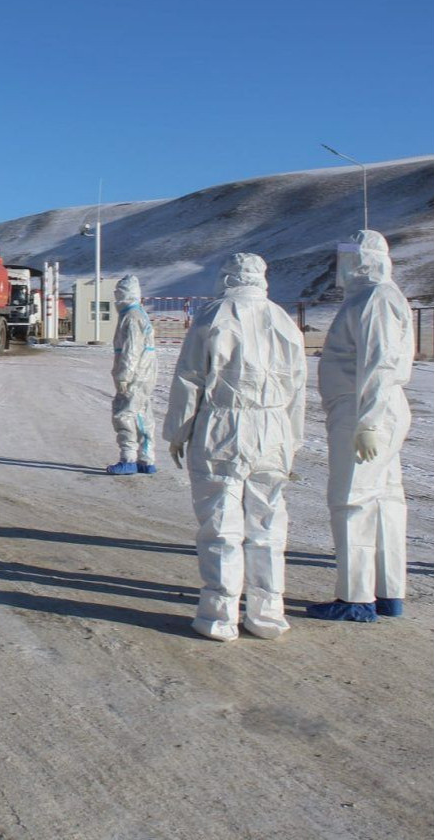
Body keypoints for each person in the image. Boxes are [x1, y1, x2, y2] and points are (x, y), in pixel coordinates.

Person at [163, 253, 307, 642]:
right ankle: (267, 614)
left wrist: (179, 431)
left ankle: (219, 616)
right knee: (268, 525)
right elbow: (298, 386)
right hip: (273, 427)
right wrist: (291, 438)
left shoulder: (214, 317)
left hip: (223, 425)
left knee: (221, 526)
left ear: (226, 277)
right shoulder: (283, 321)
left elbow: (190, 378)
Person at [308, 230, 414, 622]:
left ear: (364, 259)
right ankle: (388, 591)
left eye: (350, 258)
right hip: (374, 409)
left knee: (352, 500)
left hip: (364, 410)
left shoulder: (375, 300)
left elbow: (379, 364)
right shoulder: (376, 297)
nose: (343, 266)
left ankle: (355, 596)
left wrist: (368, 420)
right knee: (385, 501)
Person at [107, 274, 157, 474]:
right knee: (142, 415)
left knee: (124, 413)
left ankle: (128, 458)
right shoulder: (139, 314)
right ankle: (146, 459)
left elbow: (131, 350)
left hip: (135, 374)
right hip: (145, 373)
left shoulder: (130, 317)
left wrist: (123, 376)